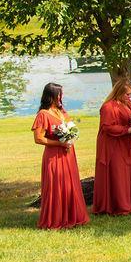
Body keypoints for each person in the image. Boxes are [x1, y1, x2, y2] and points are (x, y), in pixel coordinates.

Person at [32, 82, 89, 229]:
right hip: (54, 155)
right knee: (56, 185)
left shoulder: (61, 111)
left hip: (68, 154)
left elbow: (71, 127)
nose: (61, 97)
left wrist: (71, 137)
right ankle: (56, 218)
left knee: (70, 184)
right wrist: (59, 143)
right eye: (59, 94)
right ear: (51, 96)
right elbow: (39, 138)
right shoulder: (43, 114)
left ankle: (72, 215)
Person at [93, 79, 131, 215]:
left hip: (128, 142)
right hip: (114, 144)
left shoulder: (127, 104)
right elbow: (107, 127)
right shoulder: (108, 107)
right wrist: (128, 130)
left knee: (128, 172)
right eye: (127, 94)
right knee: (118, 173)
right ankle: (118, 204)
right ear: (119, 92)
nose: (130, 97)